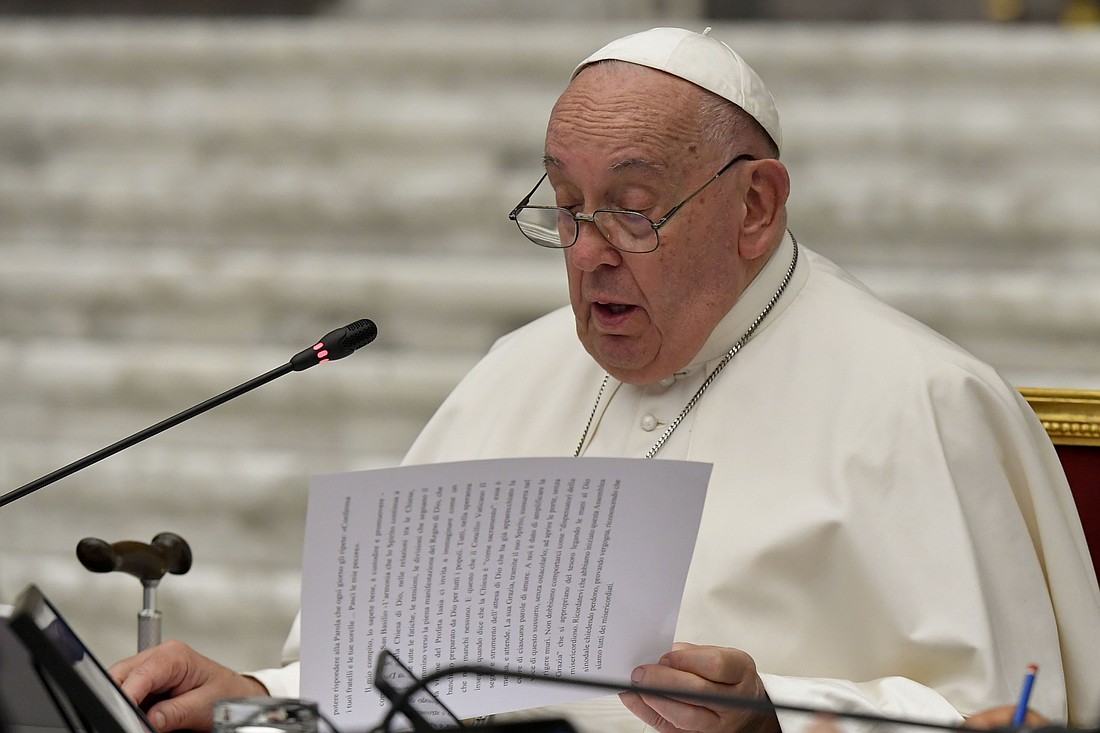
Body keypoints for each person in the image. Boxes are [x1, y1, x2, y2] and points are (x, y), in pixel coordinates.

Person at [109, 26, 1100, 733]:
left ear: (755, 204)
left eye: (632, 208)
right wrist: (249, 696)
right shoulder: (513, 373)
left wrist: (774, 727)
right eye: (567, 207)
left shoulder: (922, 401)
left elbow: (1011, 711)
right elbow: (384, 682)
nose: (587, 255)